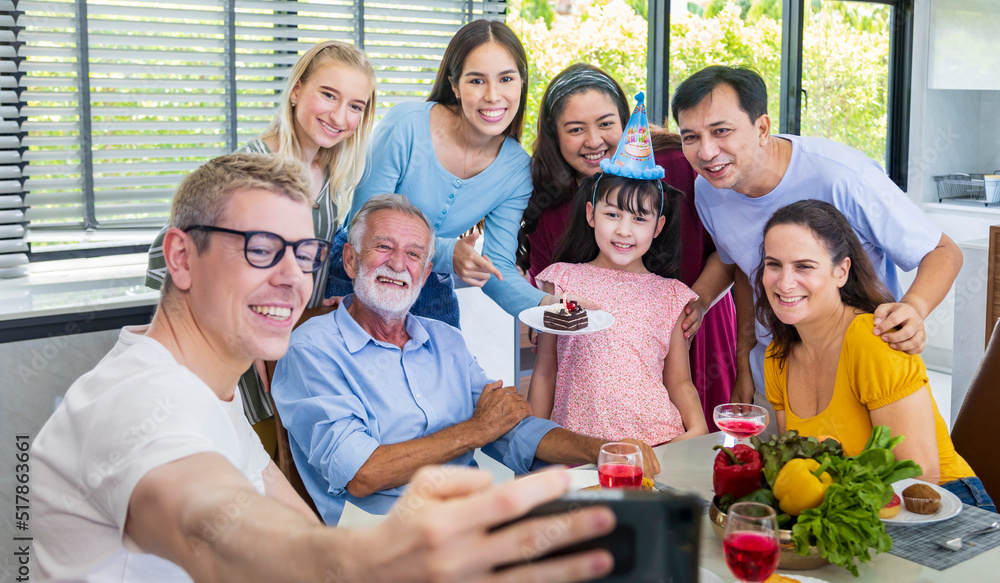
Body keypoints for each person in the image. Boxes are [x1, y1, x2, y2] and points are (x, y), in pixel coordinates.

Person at [29, 154, 622, 583]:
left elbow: (289, 515)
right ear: (181, 258)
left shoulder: (215, 393)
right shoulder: (137, 402)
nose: (291, 278)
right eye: (260, 250)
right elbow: (215, 530)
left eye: (302, 253)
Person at [272, 193, 659, 525]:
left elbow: (511, 431)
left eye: (413, 255)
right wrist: (477, 429)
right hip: (383, 551)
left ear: (425, 275)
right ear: (352, 261)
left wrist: (603, 450)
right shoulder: (312, 349)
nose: (397, 264)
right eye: (384, 247)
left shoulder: (445, 340)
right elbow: (364, 473)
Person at [671, 66, 963, 409]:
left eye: (721, 131)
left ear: (761, 128)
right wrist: (739, 353)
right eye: (690, 137)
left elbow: (943, 251)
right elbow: (739, 265)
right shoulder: (709, 189)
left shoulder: (842, 176)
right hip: (775, 370)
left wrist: (914, 310)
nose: (706, 152)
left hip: (860, 364)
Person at [145, 40, 378, 430]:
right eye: (328, 94)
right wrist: (241, 330)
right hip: (236, 370)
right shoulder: (248, 170)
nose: (340, 116)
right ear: (297, 89)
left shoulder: (334, 182)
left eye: (355, 106)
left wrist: (317, 304)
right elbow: (165, 257)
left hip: (288, 360)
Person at [517, 63, 736, 427]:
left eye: (606, 124)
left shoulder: (677, 166)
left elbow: (730, 251)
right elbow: (550, 345)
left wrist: (695, 301)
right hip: (592, 377)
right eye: (575, 129)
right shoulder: (548, 202)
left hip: (693, 321)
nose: (593, 141)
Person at [324, 20, 574, 327]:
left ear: (522, 82)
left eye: (506, 79)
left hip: (427, 282)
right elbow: (363, 227)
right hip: (357, 272)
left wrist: (550, 307)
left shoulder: (517, 170)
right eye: (477, 81)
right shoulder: (406, 126)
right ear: (454, 85)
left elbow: (497, 270)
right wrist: (447, 251)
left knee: (445, 368)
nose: (494, 95)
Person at [756, 200, 993, 511]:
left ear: (841, 272)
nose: (784, 282)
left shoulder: (872, 339)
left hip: (942, 505)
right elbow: (800, 464)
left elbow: (919, 478)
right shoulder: (778, 355)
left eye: (804, 266)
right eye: (774, 264)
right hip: (860, 508)